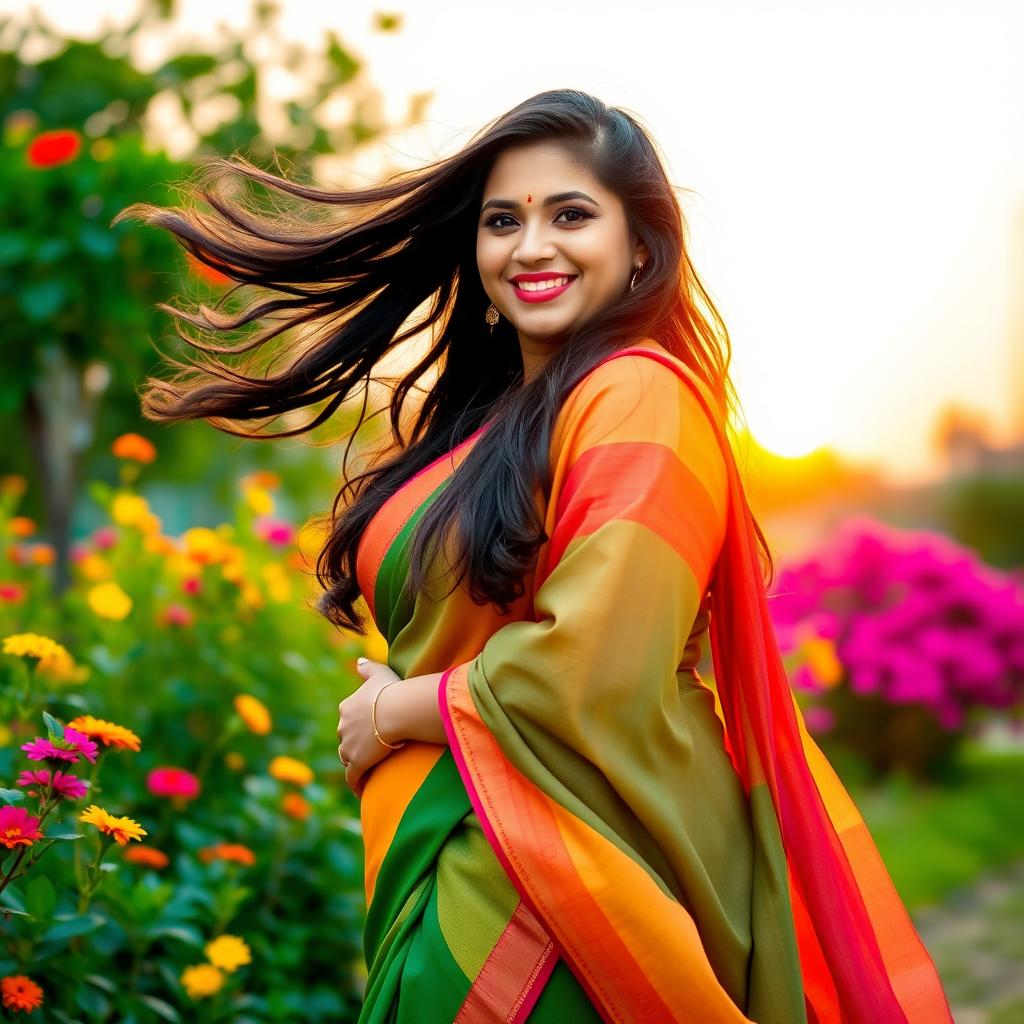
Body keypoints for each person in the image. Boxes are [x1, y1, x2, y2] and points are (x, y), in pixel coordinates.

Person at [116, 89, 954, 1023]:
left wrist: (397, 709)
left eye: (571, 215)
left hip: (580, 878)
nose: (531, 246)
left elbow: (596, 663)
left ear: (641, 248)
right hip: (472, 854)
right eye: (503, 221)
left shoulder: (639, 395)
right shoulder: (486, 427)